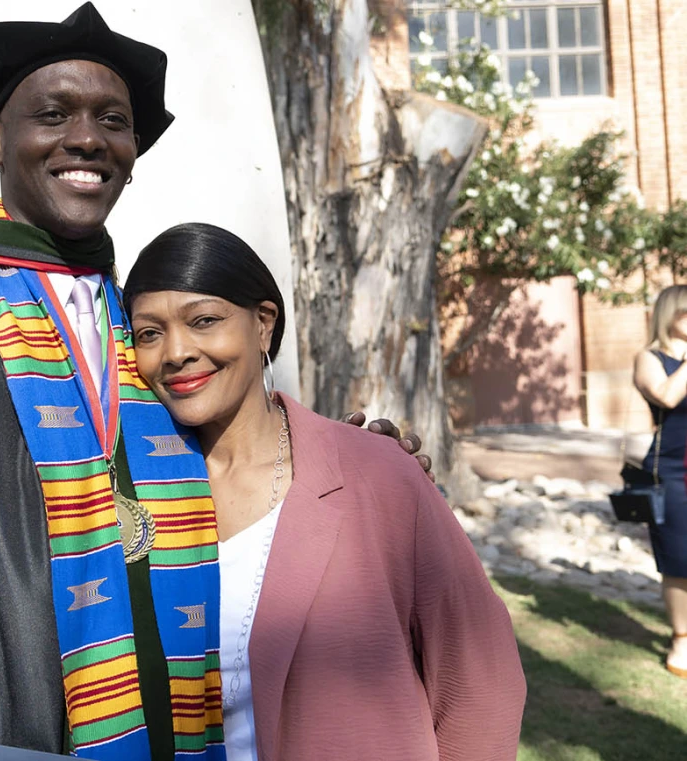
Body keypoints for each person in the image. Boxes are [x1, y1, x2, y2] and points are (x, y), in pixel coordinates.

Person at [0, 5, 431, 760]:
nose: (87, 137)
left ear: (132, 148)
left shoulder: (141, 326)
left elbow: (233, 456)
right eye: (53, 113)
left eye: (112, 119)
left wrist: (343, 460)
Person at [124, 223, 526, 761]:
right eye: (149, 334)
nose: (175, 351)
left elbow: (480, 678)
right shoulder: (128, 490)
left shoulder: (373, 475)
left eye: (204, 321)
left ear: (263, 324)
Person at [631, 284, 687, 677]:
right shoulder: (649, 358)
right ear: (671, 314)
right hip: (670, 470)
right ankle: (682, 639)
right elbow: (666, 397)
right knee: (678, 559)